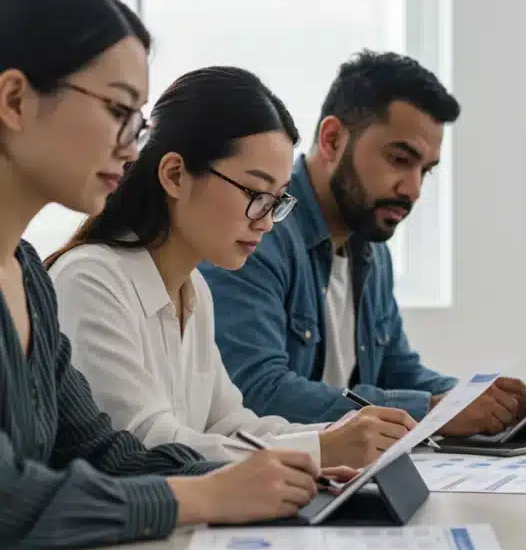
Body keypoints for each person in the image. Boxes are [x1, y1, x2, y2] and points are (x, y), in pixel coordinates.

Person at [0, 0, 353, 550]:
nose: (131, 146)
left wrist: (274, 475)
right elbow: (12, 501)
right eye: (117, 110)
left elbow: (105, 450)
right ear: (14, 99)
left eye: (138, 121)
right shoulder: (88, 277)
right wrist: (208, 491)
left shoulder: (28, 276)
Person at [45, 65, 417, 469]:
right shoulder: (91, 280)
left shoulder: (194, 291)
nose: (267, 220)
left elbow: (230, 425)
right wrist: (323, 449)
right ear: (174, 175)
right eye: (256, 193)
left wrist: (338, 434)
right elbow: (144, 448)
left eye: (277, 200)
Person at [200, 50, 526, 435]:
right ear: (333, 139)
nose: (414, 189)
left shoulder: (371, 249)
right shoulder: (258, 232)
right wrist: (432, 412)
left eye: (426, 170)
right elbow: (257, 392)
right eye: (400, 160)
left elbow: (396, 370)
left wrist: (481, 400)